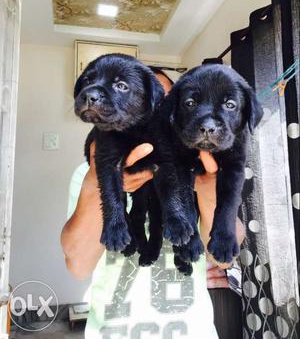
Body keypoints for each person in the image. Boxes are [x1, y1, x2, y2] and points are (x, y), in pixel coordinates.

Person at [62, 69, 244, 339]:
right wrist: (97, 181)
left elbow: (224, 258)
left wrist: (207, 188)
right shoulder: (86, 173)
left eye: (165, 104)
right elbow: (78, 266)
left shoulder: (202, 168)